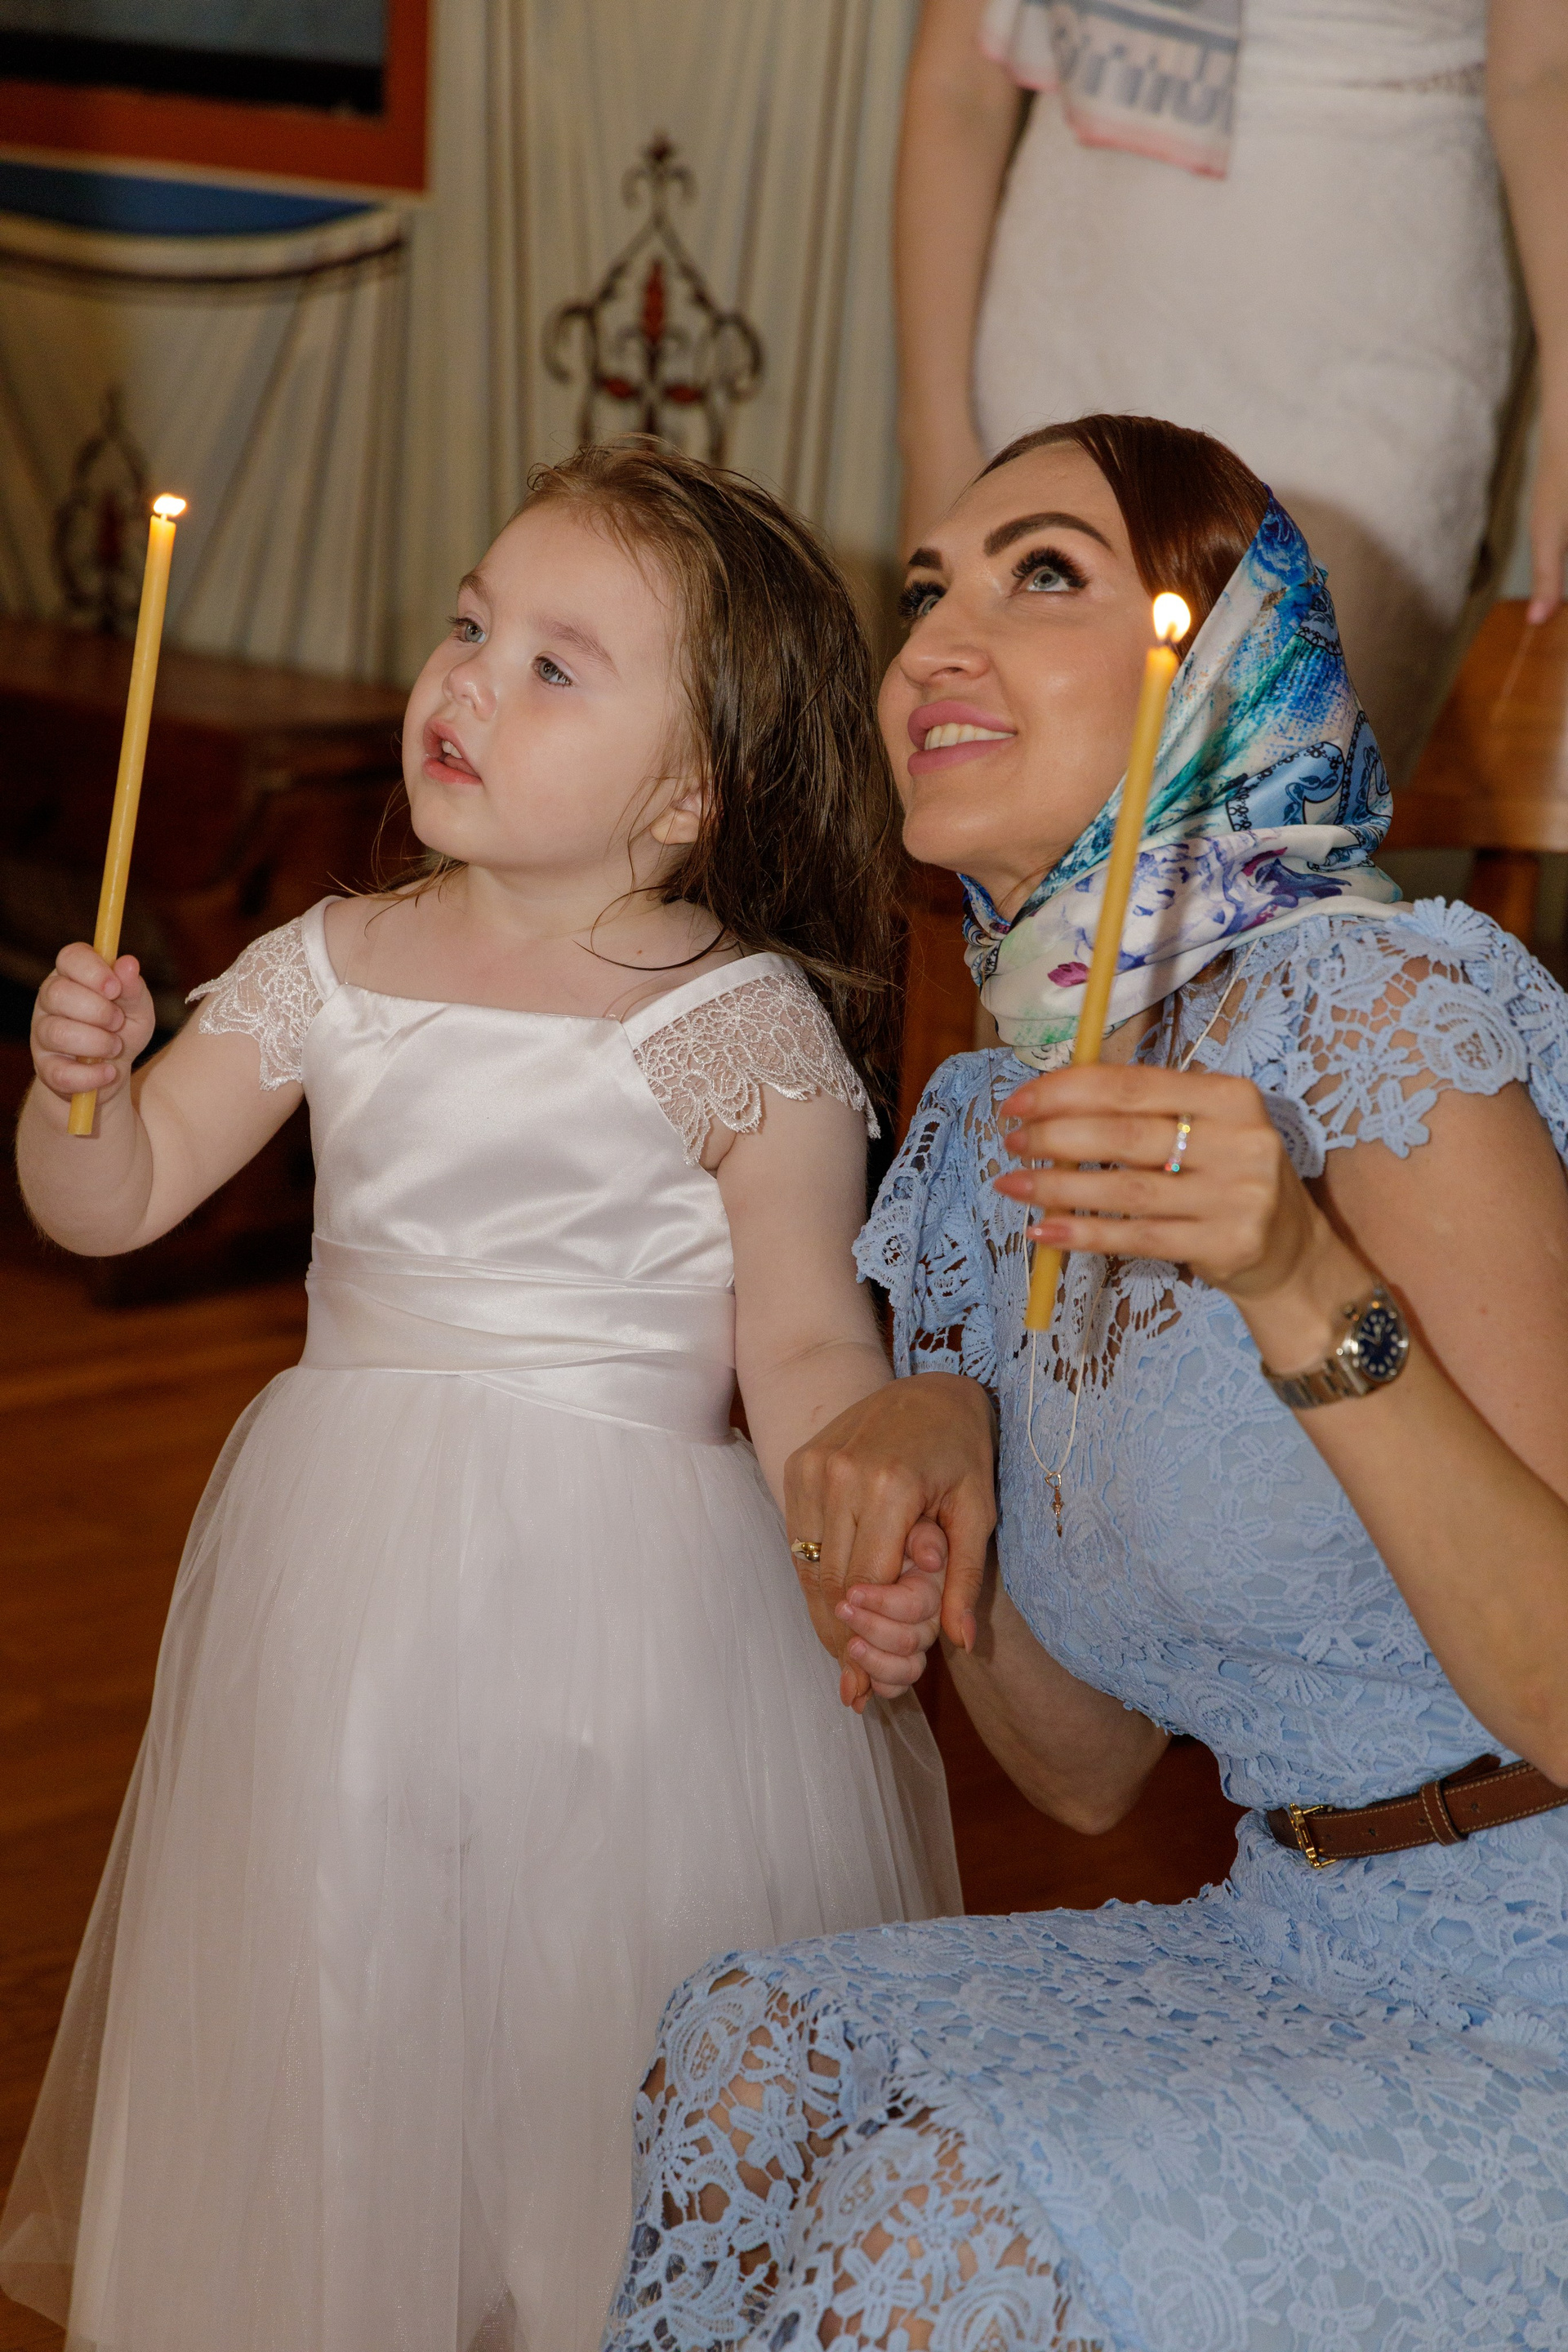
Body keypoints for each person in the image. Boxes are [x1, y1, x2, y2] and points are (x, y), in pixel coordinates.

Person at [605, 416, 1568, 2349]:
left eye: (1042, 570)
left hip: (1539, 1994)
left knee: (935, 2225)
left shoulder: (1373, 1014)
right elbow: (1083, 1768)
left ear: (1221, 668)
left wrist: (1295, 1276)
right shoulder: (988, 1136)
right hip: (1294, 1927)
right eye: (925, 588)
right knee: (746, 2051)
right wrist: (952, 1473)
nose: (936, 638)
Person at [0, 441, 960, 2352]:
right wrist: (76, 1093)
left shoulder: (739, 1026)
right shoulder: (329, 965)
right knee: (342, 1962)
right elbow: (112, 1200)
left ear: (685, 793)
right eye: (468, 625)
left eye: (551, 665)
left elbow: (802, 1348)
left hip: (637, 1619)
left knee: (595, 2011)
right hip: (341, 1590)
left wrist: (848, 1535)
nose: (467, 679)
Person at [895, 0, 1568, 785]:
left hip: (1361, 325)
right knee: (1014, 794)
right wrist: (934, 434)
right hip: (1067, 302)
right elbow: (960, 85)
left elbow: (1542, 75)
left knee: (1282, 802)